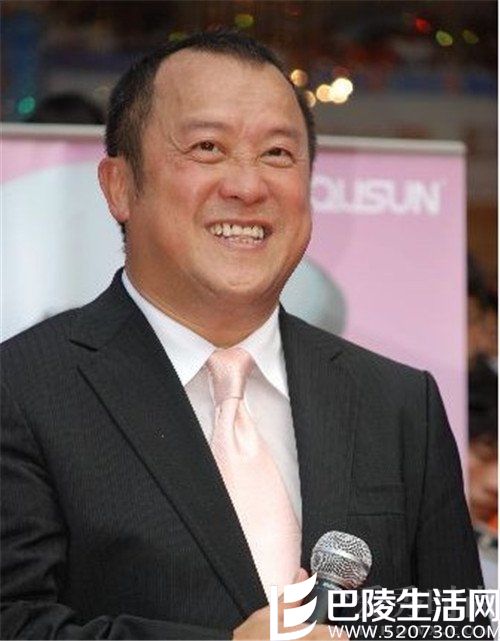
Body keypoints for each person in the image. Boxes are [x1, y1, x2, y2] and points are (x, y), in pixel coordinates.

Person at [1, 30, 486, 640]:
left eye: (278, 154)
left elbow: (452, 627)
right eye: (208, 148)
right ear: (120, 186)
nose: (248, 186)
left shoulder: (397, 403)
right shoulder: (22, 390)